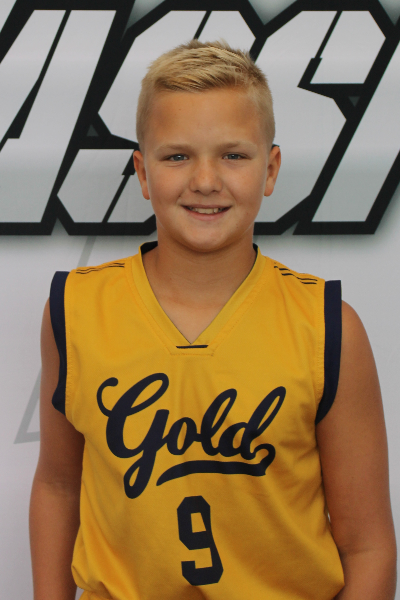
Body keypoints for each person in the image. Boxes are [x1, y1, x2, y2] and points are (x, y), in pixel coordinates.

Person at [30, 40, 397, 600]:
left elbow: (368, 546)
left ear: (270, 169)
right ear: (142, 172)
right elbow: (59, 485)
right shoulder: (75, 309)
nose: (205, 180)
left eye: (233, 156)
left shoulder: (327, 328)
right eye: (177, 156)